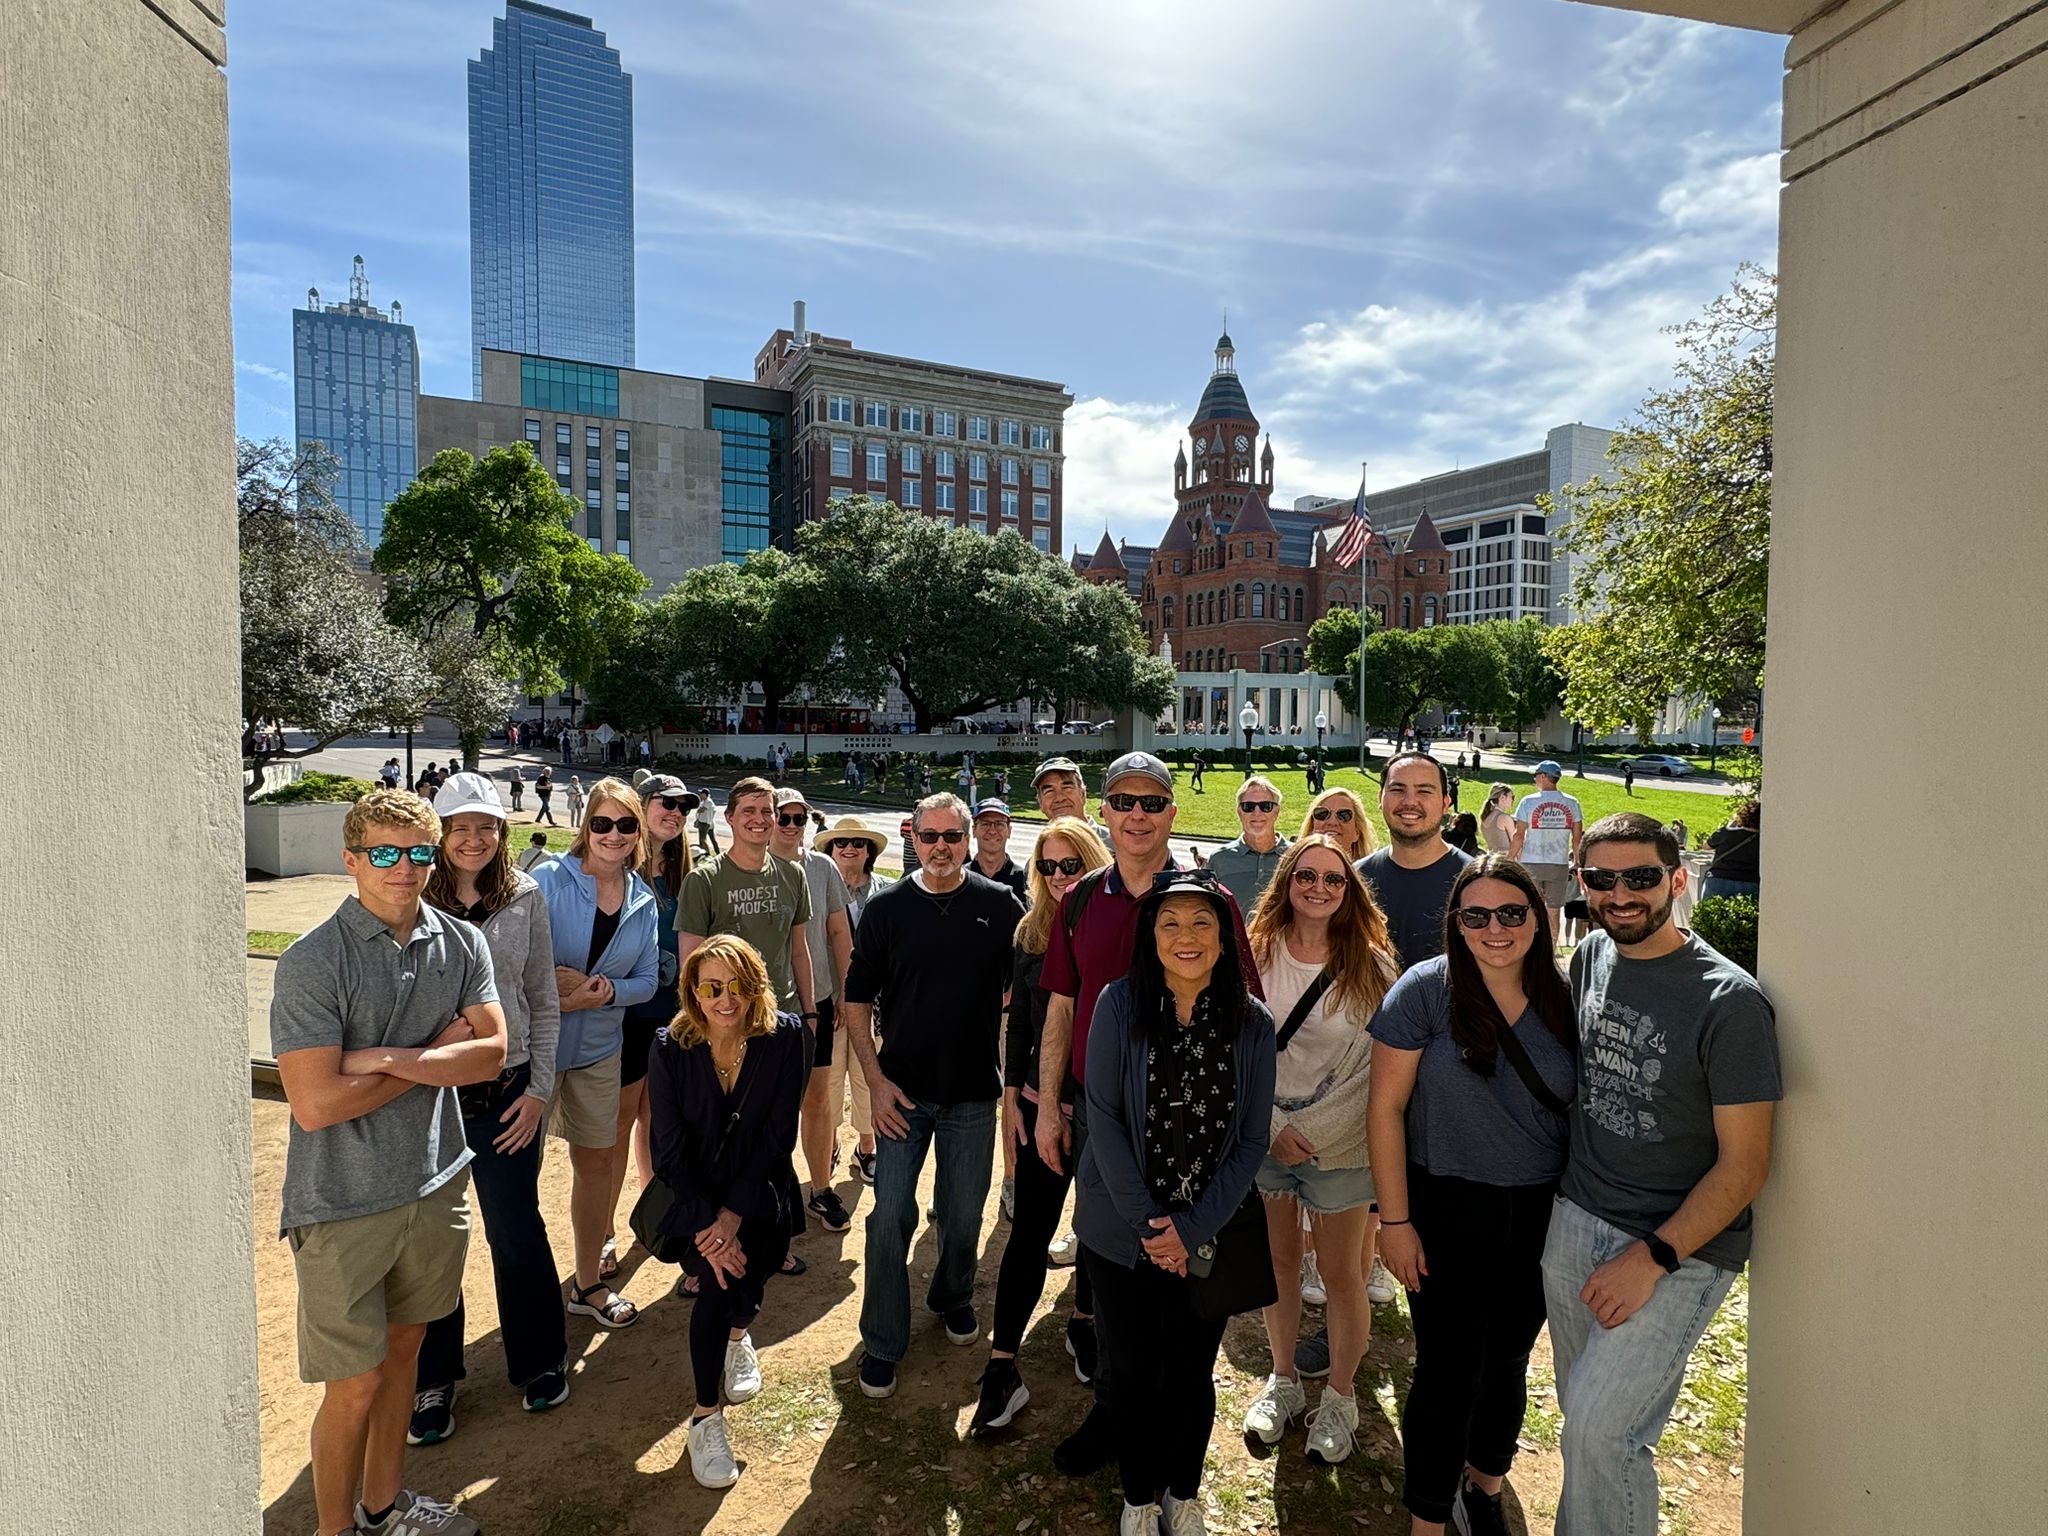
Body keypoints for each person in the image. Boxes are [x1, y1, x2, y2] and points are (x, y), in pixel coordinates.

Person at [270, 789, 507, 1536]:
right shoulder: (313, 963)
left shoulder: (462, 943)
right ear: (351, 860)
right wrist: (435, 1054)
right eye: (382, 853)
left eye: (413, 852)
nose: (401, 868)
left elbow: (493, 1054)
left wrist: (381, 1059)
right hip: (341, 1203)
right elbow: (316, 1106)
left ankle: (383, 1508)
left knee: (406, 1355)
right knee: (354, 1384)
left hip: (435, 1186)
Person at [1546, 813, 1780, 1536]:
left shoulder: (1730, 1003)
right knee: (1584, 1426)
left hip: (1673, 1247)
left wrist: (1651, 1259)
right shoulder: (1590, 955)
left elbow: (1744, 1168)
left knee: (1600, 1433)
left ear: (1679, 880)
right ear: (1582, 883)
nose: (1621, 895)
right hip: (1574, 1217)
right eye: (1602, 879)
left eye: (1642, 877)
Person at [1036, 751, 1262, 1475]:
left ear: (1172, 812)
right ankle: (1113, 1413)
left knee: (1182, 1288)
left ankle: (1170, 1434)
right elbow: (1061, 1006)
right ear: (1102, 812)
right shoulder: (1080, 899)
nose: (1137, 814)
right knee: (1111, 1277)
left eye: (1153, 802)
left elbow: (1243, 1012)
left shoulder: (1205, 901)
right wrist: (1047, 1106)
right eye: (1123, 801)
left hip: (1189, 1123)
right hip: (1103, 1117)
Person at [1368, 855, 1577, 1535]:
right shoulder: (1425, 991)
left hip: (1541, 1209)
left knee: (1511, 1355)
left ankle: (1484, 1482)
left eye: (1512, 913)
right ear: (1456, 923)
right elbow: (1384, 1110)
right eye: (1477, 915)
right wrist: (1393, 1219)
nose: (1496, 928)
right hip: (1444, 1204)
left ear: (1538, 919)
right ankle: (1428, 1513)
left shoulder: (1566, 995)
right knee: (1447, 1369)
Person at [1076, 870, 1276, 1536]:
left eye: (1201, 924)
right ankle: (1138, 1496)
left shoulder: (1252, 1022)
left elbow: (1251, 1141)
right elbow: (1101, 1117)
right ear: (1150, 936)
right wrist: (1150, 1225)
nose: (1185, 937)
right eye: (1170, 924)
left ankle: (1181, 1492)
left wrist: (1188, 1230)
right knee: (1130, 1371)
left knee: (1190, 1373)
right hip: (1120, 1230)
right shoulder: (1117, 1004)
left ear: (1224, 937)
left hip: (1207, 1232)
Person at [844, 793, 1024, 1399]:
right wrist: (874, 1082)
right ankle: (883, 1339)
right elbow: (856, 1000)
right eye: (930, 837)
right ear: (911, 840)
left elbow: (1019, 986)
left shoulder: (1001, 906)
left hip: (974, 1094)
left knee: (964, 1211)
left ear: (970, 840)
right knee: (889, 1216)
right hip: (903, 1094)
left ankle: (951, 1296)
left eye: (953, 836)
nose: (941, 848)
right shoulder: (887, 909)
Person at [410, 775, 567, 1443]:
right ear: (440, 835)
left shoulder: (525, 897)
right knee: (433, 1239)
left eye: (486, 826)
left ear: (503, 833)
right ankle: (432, 1379)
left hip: (509, 1088)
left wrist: (538, 1092)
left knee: (515, 1225)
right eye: (458, 826)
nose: (473, 838)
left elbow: (543, 998)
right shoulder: (409, 897)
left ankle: (537, 1359)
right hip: (433, 1092)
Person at [1240, 836, 1400, 1467]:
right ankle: (1283, 1380)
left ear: (1349, 891)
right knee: (1277, 1267)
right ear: (1286, 880)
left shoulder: (1373, 967)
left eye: (1334, 880)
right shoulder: (1253, 954)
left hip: (1343, 1147)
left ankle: (1339, 1395)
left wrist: (1319, 1134)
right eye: (1305, 875)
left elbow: (1375, 1073)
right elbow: (1238, 1047)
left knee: (1340, 1277)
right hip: (1267, 1136)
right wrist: (1272, 1123)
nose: (1319, 888)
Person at [646, 935, 809, 1490]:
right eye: (712, 987)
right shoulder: (670, 1046)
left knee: (751, 1286)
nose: (725, 999)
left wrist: (735, 1217)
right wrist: (710, 1228)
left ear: (756, 985)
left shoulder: (785, 1037)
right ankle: (704, 1415)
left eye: (737, 985)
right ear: (693, 990)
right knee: (718, 1285)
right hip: (695, 1200)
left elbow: (778, 1134)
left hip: (760, 1189)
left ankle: (741, 1340)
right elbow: (667, 1148)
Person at [970, 815, 1113, 1439]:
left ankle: (1083, 1320)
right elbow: (1022, 1027)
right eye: (1048, 866)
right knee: (1030, 1229)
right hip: (1040, 1101)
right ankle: (1003, 1363)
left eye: (1071, 865)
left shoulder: (1115, 924)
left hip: (1107, 1111)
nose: (1058, 878)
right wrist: (1012, 1103)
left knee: (1098, 1230)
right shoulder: (1030, 933)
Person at [531, 778, 659, 1331]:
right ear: (586, 824)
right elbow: (516, 965)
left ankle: (587, 1284)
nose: (613, 835)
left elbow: (649, 980)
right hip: (534, 1052)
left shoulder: (642, 899)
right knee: (518, 1178)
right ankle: (527, 1300)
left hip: (599, 1051)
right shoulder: (544, 882)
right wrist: (563, 996)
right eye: (602, 823)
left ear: (638, 833)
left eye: (625, 825)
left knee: (597, 1166)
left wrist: (601, 992)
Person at [677, 777, 817, 1279]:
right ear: (730, 818)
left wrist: (811, 1012)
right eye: (750, 810)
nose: (760, 818)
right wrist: (694, 1024)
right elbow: (690, 962)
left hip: (777, 1028)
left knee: (775, 1135)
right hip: (720, 1028)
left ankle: (773, 1236)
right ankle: (703, 1250)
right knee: (713, 1135)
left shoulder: (793, 875)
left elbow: (798, 947)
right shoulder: (705, 879)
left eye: (769, 810)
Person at [602, 774, 695, 1282]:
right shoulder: (617, 866)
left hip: (672, 1016)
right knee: (617, 1125)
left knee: (658, 1122)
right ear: (641, 807)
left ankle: (652, 1212)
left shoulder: (684, 872)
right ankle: (604, 1233)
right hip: (623, 1017)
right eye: (666, 803)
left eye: (683, 806)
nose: (675, 812)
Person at [768, 787, 857, 1236]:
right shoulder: (752, 866)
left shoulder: (822, 867)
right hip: (763, 1004)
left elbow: (839, 931)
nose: (789, 824)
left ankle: (820, 1188)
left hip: (818, 998)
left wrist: (845, 990)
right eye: (781, 816)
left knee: (818, 1099)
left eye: (798, 817)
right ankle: (771, 1192)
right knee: (766, 1103)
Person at [815, 815, 892, 1184]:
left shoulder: (887, 891)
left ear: (870, 852)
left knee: (867, 1076)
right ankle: (826, 1145)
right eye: (841, 842)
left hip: (873, 1006)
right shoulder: (815, 888)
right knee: (828, 1079)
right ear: (829, 849)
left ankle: (866, 1148)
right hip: (828, 1002)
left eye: (858, 843)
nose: (849, 848)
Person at [1358, 754, 1474, 975]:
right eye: (1398, 789)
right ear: (1380, 798)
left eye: (1424, 790)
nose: (1410, 802)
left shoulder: (1476, 883)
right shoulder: (1355, 880)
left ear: (1445, 804)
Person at [1509, 761, 1583, 930]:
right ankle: (1552, 951)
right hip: (1559, 863)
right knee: (1554, 911)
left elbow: (1518, 835)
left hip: (1531, 861)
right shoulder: (1572, 803)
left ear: (1543, 777)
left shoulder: (1528, 802)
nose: (1534, 779)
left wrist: (1509, 858)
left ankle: (1533, 949)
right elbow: (1577, 838)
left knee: (1531, 909)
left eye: (1536, 776)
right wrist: (1577, 861)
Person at [1206, 775, 1289, 916]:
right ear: (1239, 812)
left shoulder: (1296, 856)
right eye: (1248, 807)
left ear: (1277, 812)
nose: (1257, 813)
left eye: (1265, 806)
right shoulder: (1219, 859)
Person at [1033, 755, 1110, 845]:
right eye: (1049, 791)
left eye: (1067, 788)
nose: (1059, 798)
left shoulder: (1117, 846)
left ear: (1082, 794)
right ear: (1040, 802)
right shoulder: (1040, 855)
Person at [1701, 801, 1761, 901]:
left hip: (1718, 879)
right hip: (1749, 881)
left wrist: (1729, 826)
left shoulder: (1726, 833)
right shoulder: (1762, 840)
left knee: (1709, 914)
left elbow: (1706, 846)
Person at [970, 798, 1029, 899]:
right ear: (974, 830)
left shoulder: (1025, 881)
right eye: (985, 824)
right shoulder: (959, 878)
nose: (992, 831)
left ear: (1009, 831)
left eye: (999, 824)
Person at [1300, 785, 1378, 862]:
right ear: (1312, 827)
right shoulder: (1292, 870)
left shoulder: (1372, 872)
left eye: (1344, 815)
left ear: (1357, 833)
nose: (1332, 822)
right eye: (1322, 813)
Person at [1480, 784, 1515, 855]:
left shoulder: (1485, 817)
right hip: (1504, 861)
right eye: (1512, 797)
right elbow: (1515, 844)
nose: (1512, 800)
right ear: (1502, 797)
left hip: (1490, 859)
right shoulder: (1504, 818)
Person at [694, 789, 721, 857]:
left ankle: (707, 854)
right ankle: (716, 852)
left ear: (705, 795)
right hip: (707, 822)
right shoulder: (704, 801)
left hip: (705, 823)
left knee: (703, 839)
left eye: (701, 794)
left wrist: (699, 809)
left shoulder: (708, 802)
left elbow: (701, 810)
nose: (700, 795)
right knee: (711, 838)